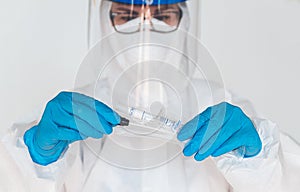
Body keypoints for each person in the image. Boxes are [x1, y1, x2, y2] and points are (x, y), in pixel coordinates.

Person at [1, 0, 300, 191]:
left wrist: (260, 162)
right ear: (104, 20)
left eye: (164, 14)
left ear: (185, 20)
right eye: (125, 14)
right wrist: (35, 158)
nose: (146, 27)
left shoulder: (220, 106)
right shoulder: (73, 116)